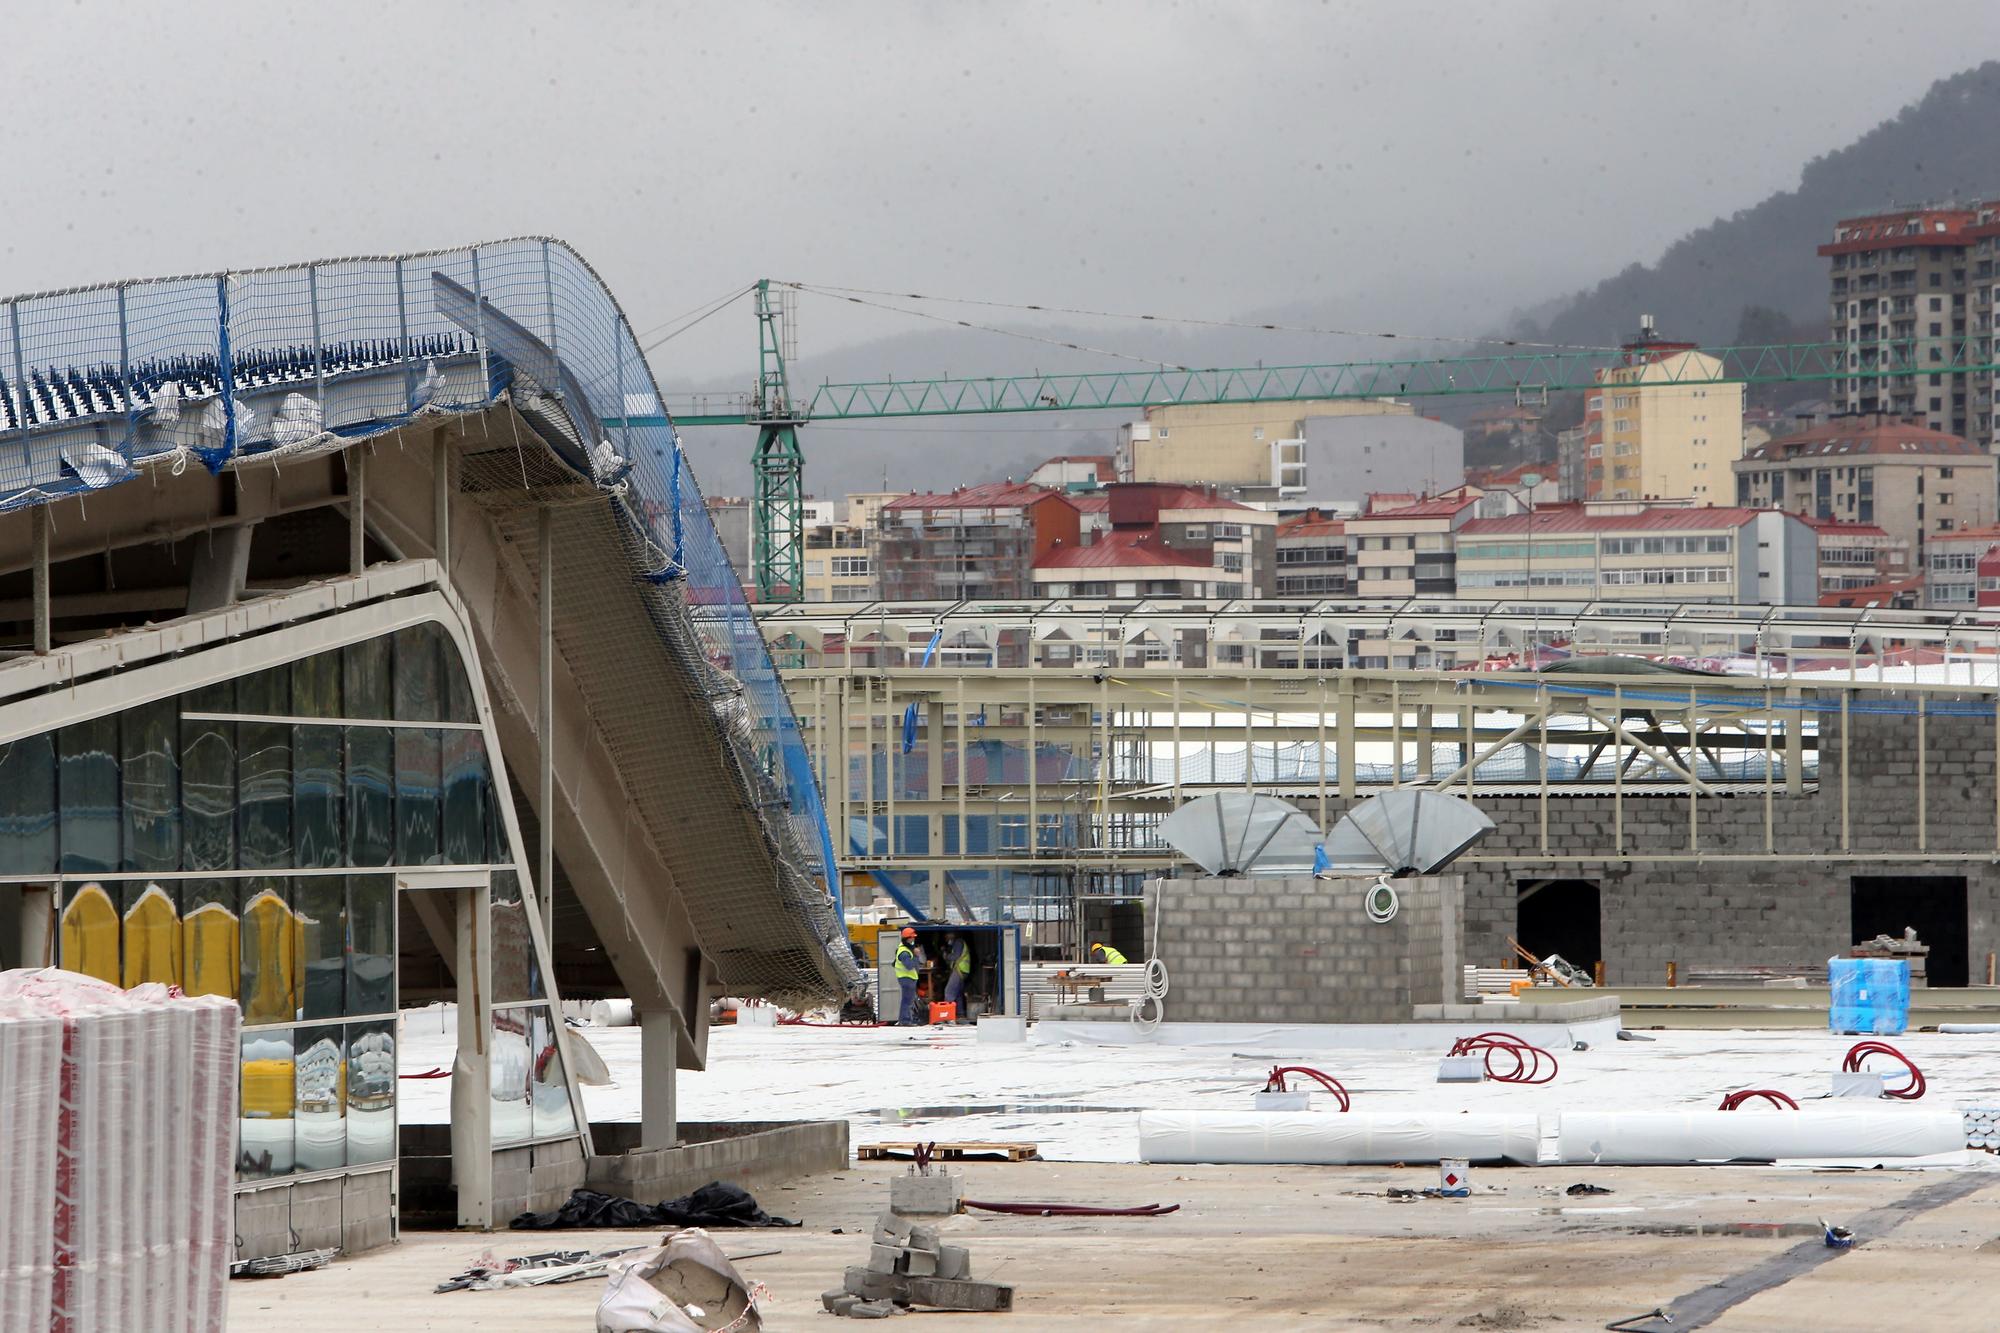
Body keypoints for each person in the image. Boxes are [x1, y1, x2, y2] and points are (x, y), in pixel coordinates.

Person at [893, 926, 922, 1025]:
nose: (913, 939)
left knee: (908, 1000)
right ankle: (905, 1020)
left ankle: (907, 1019)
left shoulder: (907, 948)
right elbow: (909, 966)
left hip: (909, 978)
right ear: (907, 938)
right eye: (912, 937)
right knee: (907, 1001)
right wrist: (916, 956)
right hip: (906, 978)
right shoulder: (904, 952)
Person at [942, 932, 972, 1017]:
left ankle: (947, 1015)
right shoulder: (958, 943)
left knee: (949, 992)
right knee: (958, 993)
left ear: (952, 935)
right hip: (963, 970)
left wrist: (946, 956)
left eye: (947, 936)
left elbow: (955, 956)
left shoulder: (958, 943)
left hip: (960, 970)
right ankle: (960, 1014)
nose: (946, 939)